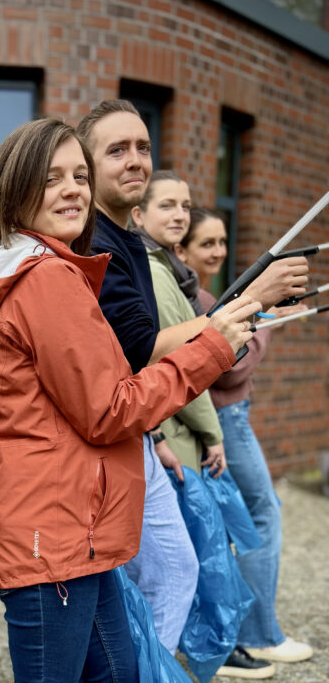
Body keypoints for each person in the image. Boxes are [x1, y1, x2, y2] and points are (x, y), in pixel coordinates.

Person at [0, 116, 258, 683]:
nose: (71, 188)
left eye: (77, 176)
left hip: (77, 532)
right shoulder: (48, 282)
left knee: (114, 682)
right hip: (48, 539)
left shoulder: (52, 272)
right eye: (52, 176)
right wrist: (211, 347)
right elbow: (112, 408)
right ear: (16, 191)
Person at [76, 100, 308, 656]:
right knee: (150, 579)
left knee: (170, 574)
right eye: (117, 150)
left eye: (143, 147)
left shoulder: (127, 241)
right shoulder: (98, 247)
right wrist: (252, 301)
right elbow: (145, 353)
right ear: (87, 167)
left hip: (143, 437)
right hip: (119, 440)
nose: (136, 160)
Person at [176, 208, 314, 668]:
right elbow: (229, 366)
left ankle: (242, 630)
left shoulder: (208, 294)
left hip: (229, 417)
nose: (217, 251)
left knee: (242, 518)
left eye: (221, 241)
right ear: (183, 249)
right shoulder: (195, 298)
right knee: (263, 512)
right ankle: (258, 634)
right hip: (225, 418)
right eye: (206, 243)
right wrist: (266, 319)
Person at [131, 171, 226, 477]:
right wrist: (214, 435)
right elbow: (184, 358)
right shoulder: (155, 272)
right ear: (139, 215)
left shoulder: (169, 267)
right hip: (175, 429)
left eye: (185, 207)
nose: (180, 216)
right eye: (167, 206)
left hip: (177, 425)